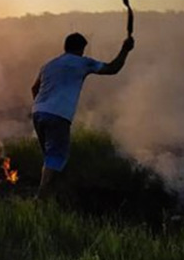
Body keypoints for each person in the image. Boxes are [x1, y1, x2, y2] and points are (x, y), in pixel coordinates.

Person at [31, 33, 134, 199]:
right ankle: (40, 198)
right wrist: (125, 49)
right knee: (55, 157)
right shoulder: (83, 62)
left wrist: (41, 106)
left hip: (38, 112)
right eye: (83, 49)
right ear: (80, 48)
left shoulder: (49, 65)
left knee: (50, 159)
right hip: (59, 115)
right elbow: (113, 68)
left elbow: (34, 88)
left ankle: (54, 193)